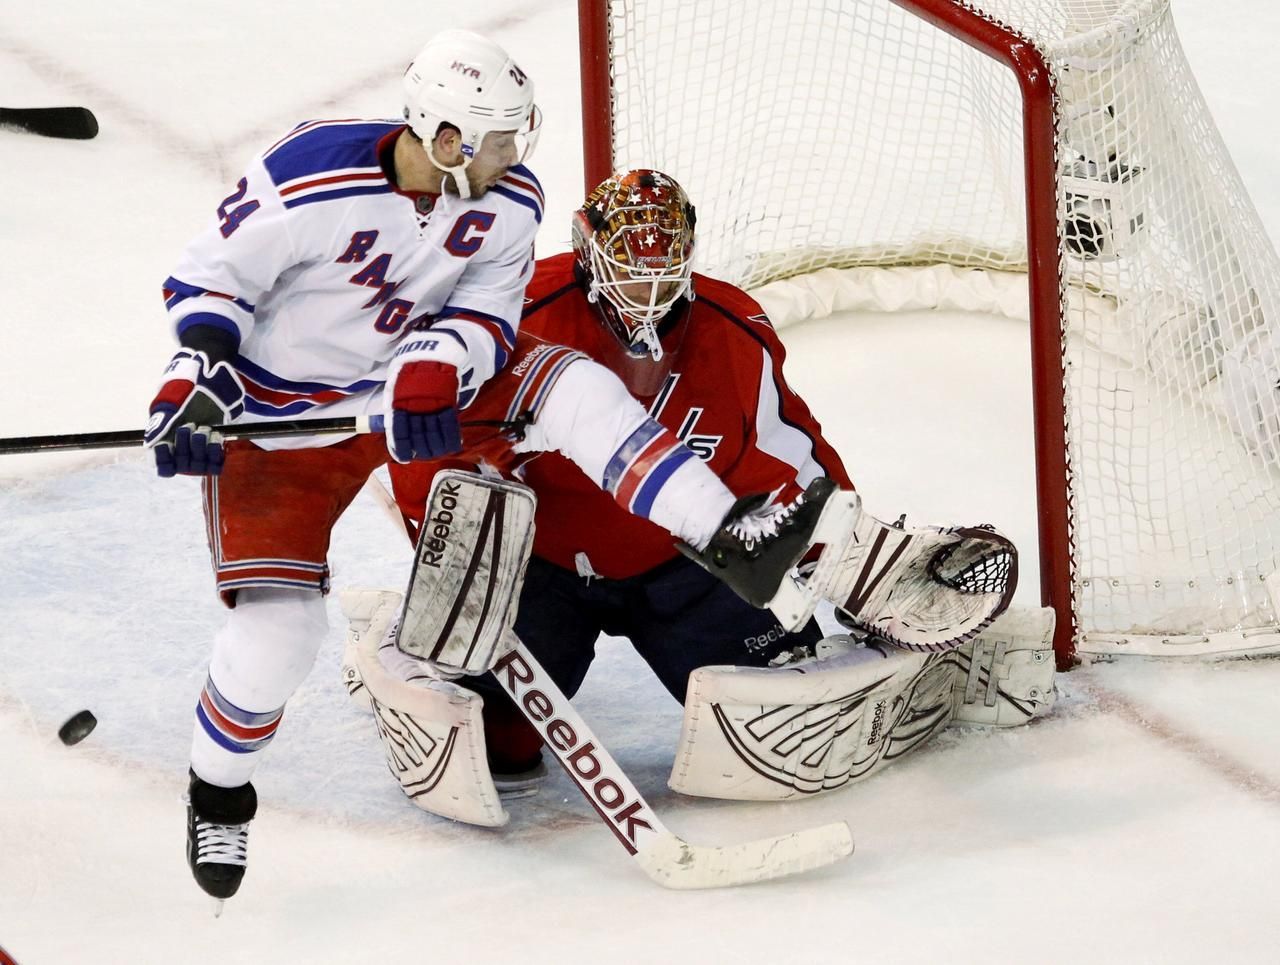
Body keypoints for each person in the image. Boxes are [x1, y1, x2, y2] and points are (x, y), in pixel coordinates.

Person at [360, 171, 1047, 816]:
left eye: (663, 267)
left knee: (782, 705)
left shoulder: (730, 329)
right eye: (630, 267)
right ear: (588, 250)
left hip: (684, 565)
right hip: (541, 569)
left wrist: (855, 555)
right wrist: (451, 556)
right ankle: (393, 638)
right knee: (493, 739)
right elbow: (426, 450)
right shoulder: (513, 315)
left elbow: (787, 461)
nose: (648, 287)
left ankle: (938, 674)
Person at [143, 28, 547, 906]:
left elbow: (490, 308)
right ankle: (218, 790)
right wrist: (196, 375)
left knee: (563, 394)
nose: (516, 156)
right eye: (499, 139)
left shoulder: (509, 200)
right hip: (274, 430)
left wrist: (438, 361)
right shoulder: (310, 174)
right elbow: (210, 281)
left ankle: (684, 531)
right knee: (280, 638)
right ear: (447, 140)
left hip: (399, 407)